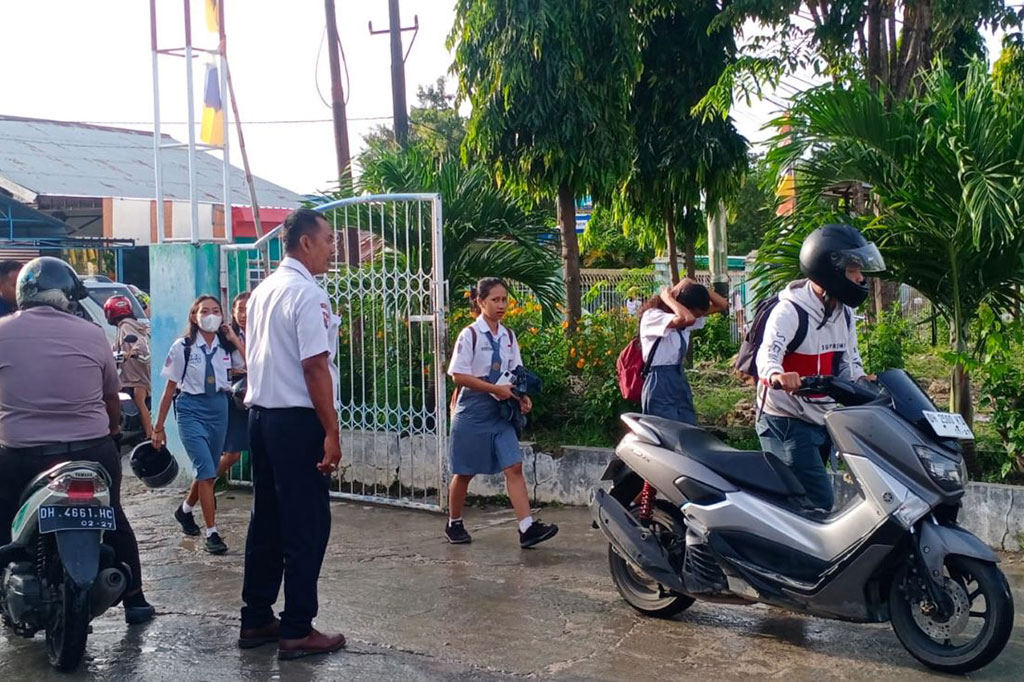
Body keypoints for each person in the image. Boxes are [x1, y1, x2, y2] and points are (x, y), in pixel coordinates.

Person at [0, 257, 155, 624]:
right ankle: (135, 600)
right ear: (68, 295)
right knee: (113, 514)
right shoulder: (92, 333)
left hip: (21, 454)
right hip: (91, 449)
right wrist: (113, 431)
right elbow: (111, 397)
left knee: (5, 512)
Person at [238, 208, 346, 660]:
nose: (332, 248)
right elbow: (314, 365)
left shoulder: (263, 291)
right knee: (307, 523)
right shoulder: (307, 293)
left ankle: (257, 616)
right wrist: (331, 431)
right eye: (328, 240)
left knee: (267, 519)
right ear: (305, 243)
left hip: (262, 418)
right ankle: (298, 627)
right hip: (296, 421)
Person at [755, 224, 885, 511]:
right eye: (853, 271)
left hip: (822, 417)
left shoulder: (844, 312)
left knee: (805, 502)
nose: (860, 278)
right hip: (786, 420)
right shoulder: (790, 311)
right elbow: (767, 354)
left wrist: (865, 381)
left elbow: (849, 362)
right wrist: (777, 375)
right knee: (815, 500)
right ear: (830, 271)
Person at [445, 277, 558, 548]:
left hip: (500, 411)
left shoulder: (508, 336)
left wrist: (522, 397)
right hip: (473, 410)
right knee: (465, 471)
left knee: (514, 466)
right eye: (495, 300)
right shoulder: (470, 335)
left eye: (504, 299)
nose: (501, 305)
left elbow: (515, 372)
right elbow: (458, 375)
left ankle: (526, 528)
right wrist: (493, 388)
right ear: (480, 301)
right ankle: (454, 522)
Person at [152, 295, 245, 555]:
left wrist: (234, 338)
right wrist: (158, 426)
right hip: (191, 409)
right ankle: (212, 533)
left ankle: (185, 511)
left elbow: (251, 364)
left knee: (209, 470)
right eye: (205, 311)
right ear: (194, 316)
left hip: (219, 409)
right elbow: (169, 388)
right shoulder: (183, 347)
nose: (211, 315)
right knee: (205, 470)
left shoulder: (225, 347)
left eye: (216, 311)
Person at [638, 278, 728, 424]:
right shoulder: (653, 316)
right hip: (659, 379)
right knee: (665, 428)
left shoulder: (684, 319)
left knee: (687, 425)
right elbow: (688, 318)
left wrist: (695, 284)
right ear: (684, 306)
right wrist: (667, 297)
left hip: (678, 376)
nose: (698, 318)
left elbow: (722, 305)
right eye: (696, 313)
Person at [104, 294, 154, 439]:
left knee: (140, 402)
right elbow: (116, 347)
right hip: (133, 373)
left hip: (136, 374)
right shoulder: (126, 325)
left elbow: (139, 342)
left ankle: (150, 435)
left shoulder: (126, 325)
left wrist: (131, 353)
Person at [220, 292, 250, 476]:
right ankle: (202, 485)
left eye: (248, 309)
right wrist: (233, 339)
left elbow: (254, 364)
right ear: (233, 311)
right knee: (232, 453)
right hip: (234, 395)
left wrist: (236, 341)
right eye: (240, 309)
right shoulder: (225, 336)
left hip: (255, 395)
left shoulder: (261, 333)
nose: (244, 315)